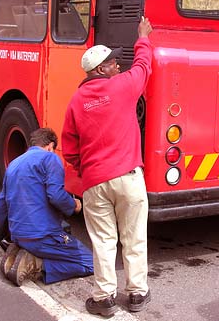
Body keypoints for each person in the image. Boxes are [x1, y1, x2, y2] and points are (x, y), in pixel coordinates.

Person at [61, 16, 153, 316]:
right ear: (101, 69)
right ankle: (137, 294)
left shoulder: (76, 101)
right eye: (113, 62)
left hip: (95, 182)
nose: (118, 65)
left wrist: (86, 170)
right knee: (134, 237)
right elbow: (143, 66)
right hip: (128, 176)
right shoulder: (122, 87)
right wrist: (143, 37)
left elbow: (70, 149)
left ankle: (104, 299)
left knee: (103, 241)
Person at [0, 128, 94, 286]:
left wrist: (2, 235)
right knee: (91, 262)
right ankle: (36, 264)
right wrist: (74, 205)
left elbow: (0, 208)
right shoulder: (50, 158)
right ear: (50, 145)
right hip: (42, 236)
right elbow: (56, 195)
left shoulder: (13, 164)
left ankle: (24, 251)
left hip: (19, 235)